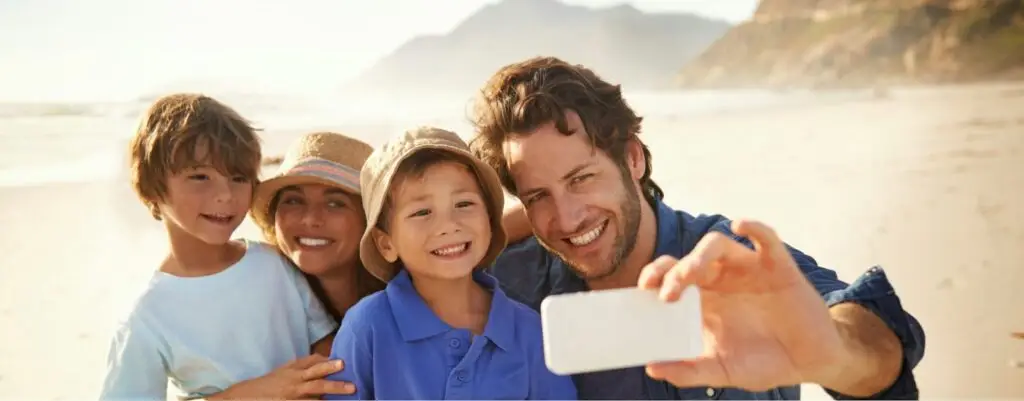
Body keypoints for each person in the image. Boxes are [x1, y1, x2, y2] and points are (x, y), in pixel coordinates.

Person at [468, 57, 926, 400]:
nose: (567, 219)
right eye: (538, 196)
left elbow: (874, 334)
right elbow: (403, 277)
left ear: (632, 158)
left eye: (581, 179)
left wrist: (832, 354)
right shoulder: (505, 280)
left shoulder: (728, 261)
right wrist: (491, 230)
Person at [203, 131, 538, 400]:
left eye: (335, 204)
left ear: (372, 226)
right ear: (384, 239)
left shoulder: (451, 279)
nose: (310, 219)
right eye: (293, 200)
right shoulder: (261, 286)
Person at [100, 94, 337, 401]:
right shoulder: (147, 315)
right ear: (152, 189)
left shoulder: (273, 263)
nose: (225, 195)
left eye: (239, 178)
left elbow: (325, 340)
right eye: (200, 176)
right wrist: (247, 394)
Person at [323, 126, 578, 400]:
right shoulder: (367, 327)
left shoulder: (529, 332)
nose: (448, 225)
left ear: (490, 220)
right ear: (386, 244)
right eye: (422, 212)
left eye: (464, 204)